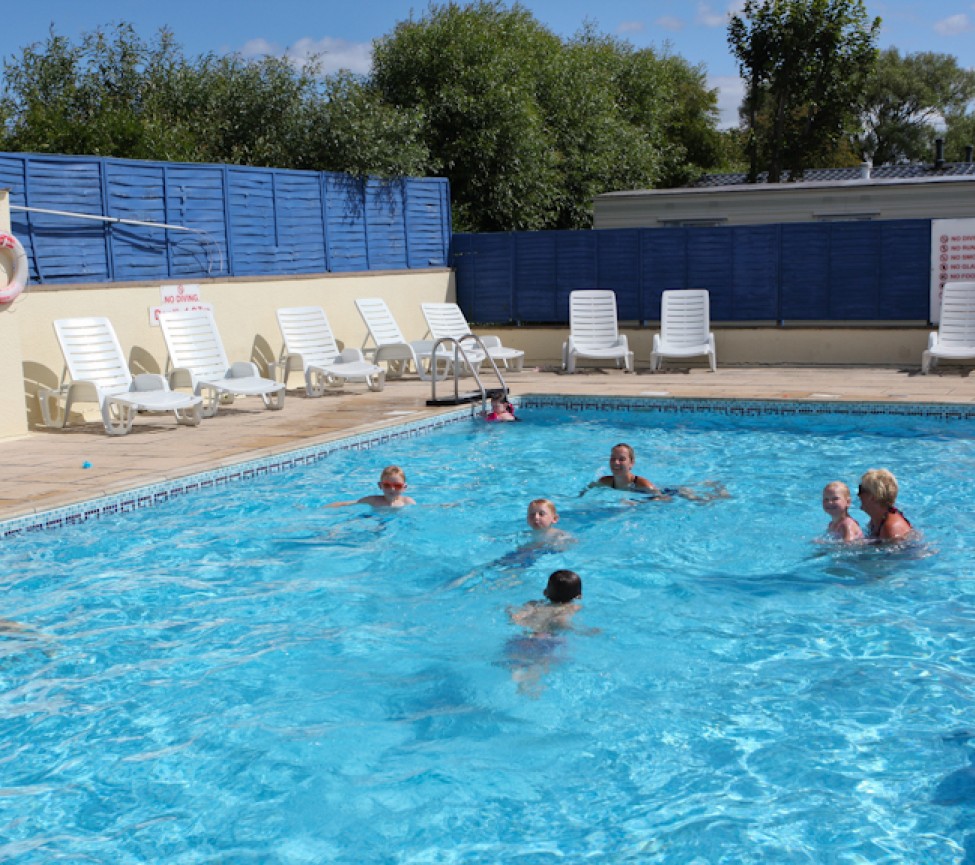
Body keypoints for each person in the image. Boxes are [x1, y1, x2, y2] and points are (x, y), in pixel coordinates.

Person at [505, 570, 583, 695]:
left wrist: (510, 612)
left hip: (524, 637)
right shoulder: (570, 608)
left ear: (545, 591)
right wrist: (582, 631)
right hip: (546, 641)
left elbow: (516, 618)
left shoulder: (533, 604)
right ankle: (529, 683)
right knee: (540, 664)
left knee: (518, 659)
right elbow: (561, 622)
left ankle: (517, 672)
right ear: (579, 596)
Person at [858, 468, 912, 541]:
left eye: (861, 490)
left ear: (873, 497)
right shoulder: (875, 520)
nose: (858, 495)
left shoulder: (890, 528)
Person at [328, 465, 416, 508]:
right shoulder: (374, 501)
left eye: (397, 486)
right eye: (387, 485)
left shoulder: (407, 502)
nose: (392, 489)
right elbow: (348, 503)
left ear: (404, 487)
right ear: (380, 485)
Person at [593, 443, 660, 493]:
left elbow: (663, 498)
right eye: (613, 458)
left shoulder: (643, 484)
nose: (616, 462)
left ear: (631, 463)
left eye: (622, 459)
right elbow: (588, 489)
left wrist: (637, 502)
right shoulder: (605, 481)